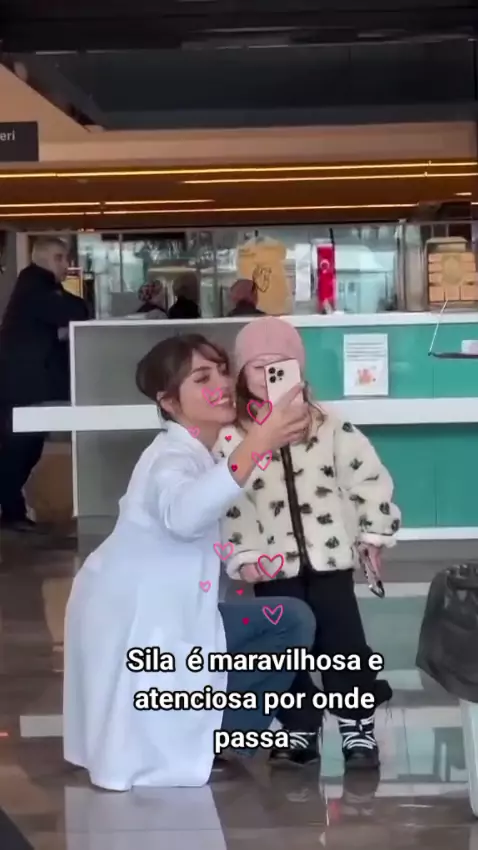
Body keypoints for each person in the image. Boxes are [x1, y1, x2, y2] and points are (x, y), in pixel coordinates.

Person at [63, 333, 316, 790]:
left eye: (222, 371)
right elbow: (184, 515)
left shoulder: (201, 452)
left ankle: (221, 734)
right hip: (137, 617)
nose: (221, 384)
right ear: (168, 402)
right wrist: (259, 442)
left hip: (164, 611)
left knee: (289, 619)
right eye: (202, 378)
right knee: (287, 621)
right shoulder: (170, 458)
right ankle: (217, 736)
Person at [215, 316, 401, 771]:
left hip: (330, 561)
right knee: (284, 649)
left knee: (345, 647)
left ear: (299, 368)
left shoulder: (330, 425)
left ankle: (357, 726)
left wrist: (373, 533)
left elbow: (367, 479)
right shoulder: (233, 438)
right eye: (257, 367)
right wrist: (246, 554)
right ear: (241, 374)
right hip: (272, 567)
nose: (269, 375)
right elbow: (232, 502)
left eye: (280, 365)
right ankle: (299, 724)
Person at [0, 236, 89, 532]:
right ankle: (11, 512)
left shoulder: (37, 286)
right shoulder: (36, 285)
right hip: (22, 386)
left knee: (24, 448)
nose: (66, 265)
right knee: (19, 449)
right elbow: (75, 310)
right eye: (59, 257)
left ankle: (12, 511)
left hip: (24, 384)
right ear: (41, 259)